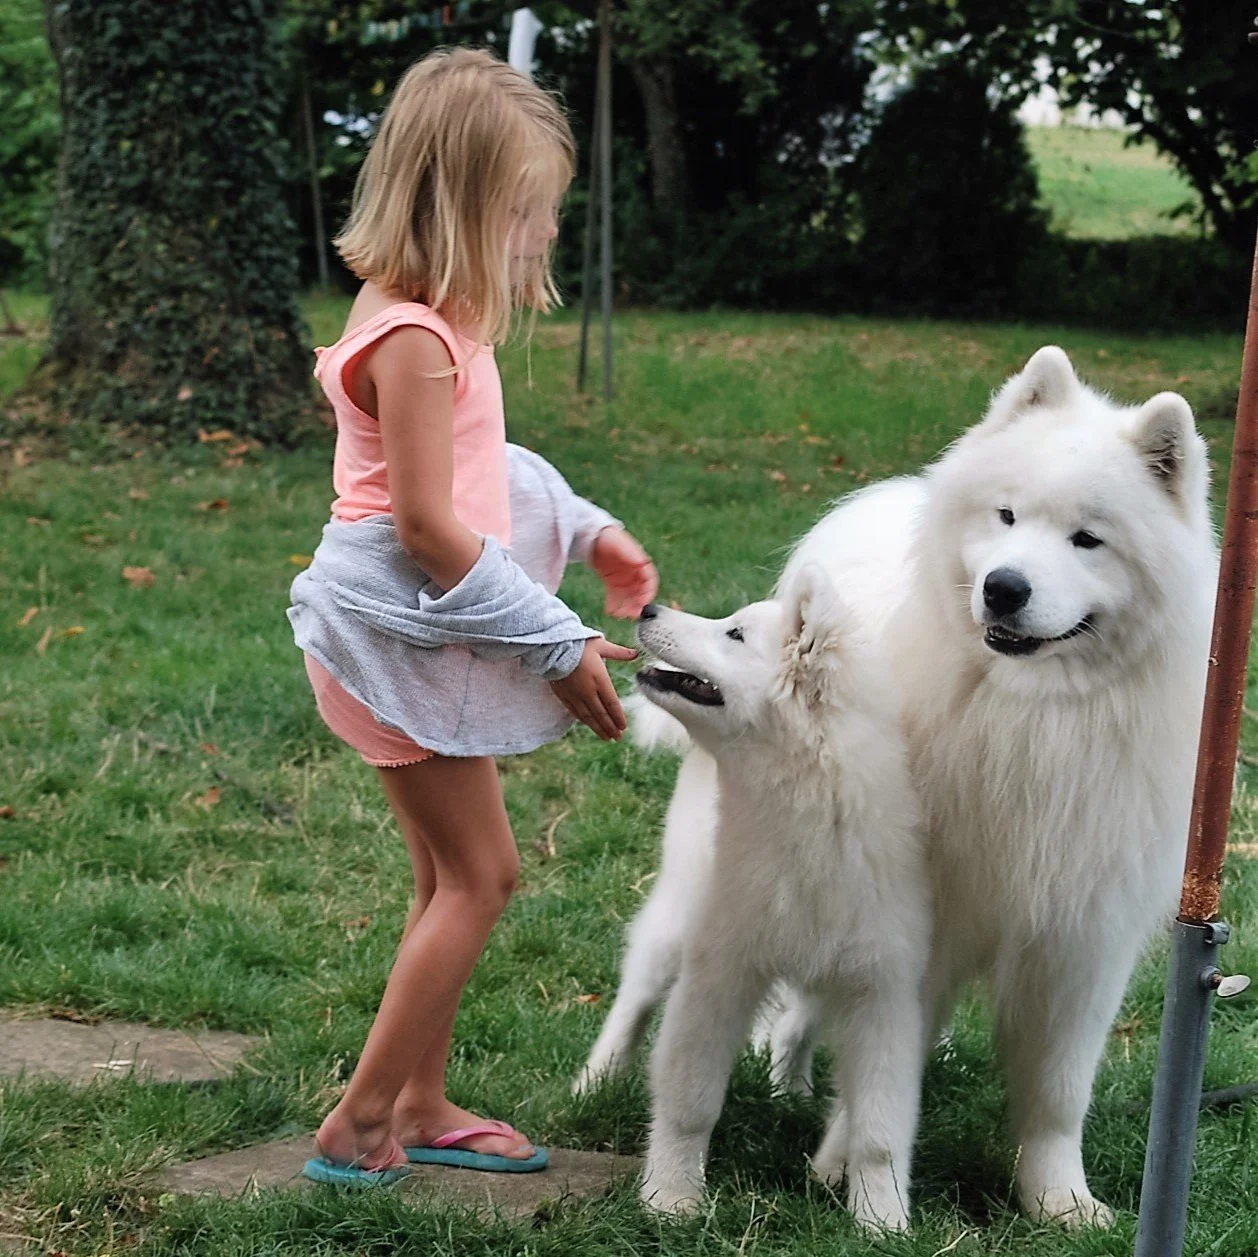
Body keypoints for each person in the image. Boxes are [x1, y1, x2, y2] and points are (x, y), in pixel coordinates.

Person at [288, 47, 658, 1186]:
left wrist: (586, 528)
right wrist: (553, 639)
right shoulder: (411, 340)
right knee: (483, 876)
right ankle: (358, 1127)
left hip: (413, 631)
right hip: (386, 636)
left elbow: (480, 469)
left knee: (447, 877)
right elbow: (427, 529)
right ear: (463, 207)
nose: (545, 233)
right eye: (529, 211)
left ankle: (423, 1098)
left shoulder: (431, 321)